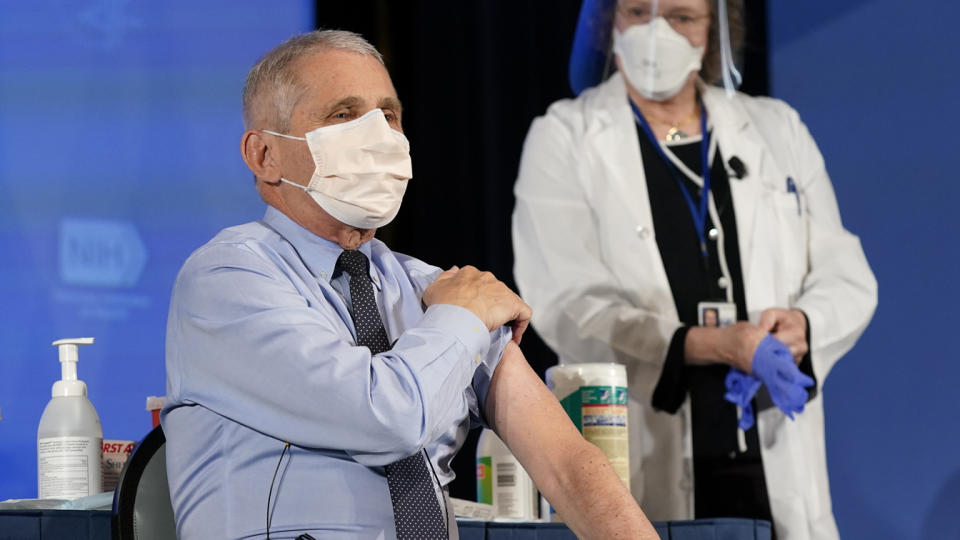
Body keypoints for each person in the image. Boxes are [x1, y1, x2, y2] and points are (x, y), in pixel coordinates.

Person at [161, 30, 659, 540]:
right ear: (265, 155)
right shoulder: (228, 278)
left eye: (389, 115)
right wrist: (462, 319)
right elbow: (386, 419)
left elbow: (569, 465)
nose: (378, 135)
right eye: (343, 115)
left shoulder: (430, 287)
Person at [511, 1, 877, 539]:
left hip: (772, 455)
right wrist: (710, 345)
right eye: (638, 11)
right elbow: (567, 301)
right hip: (644, 447)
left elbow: (845, 273)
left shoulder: (776, 129)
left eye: (681, 16)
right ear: (609, 23)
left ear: (715, 34)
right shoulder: (564, 137)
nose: (656, 31)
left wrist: (803, 326)